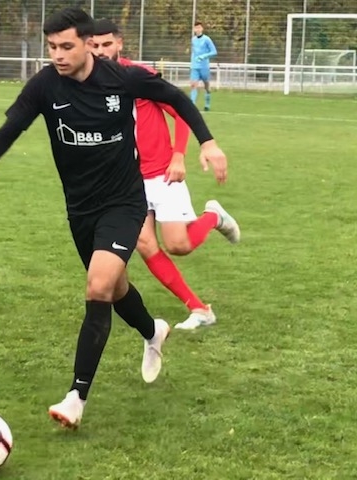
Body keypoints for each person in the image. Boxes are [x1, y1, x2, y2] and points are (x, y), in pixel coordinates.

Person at [0, 7, 228, 429]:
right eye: (52, 47)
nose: (58, 55)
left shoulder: (122, 79)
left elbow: (174, 98)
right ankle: (153, 331)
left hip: (124, 203)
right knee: (115, 290)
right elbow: (10, 130)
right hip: (80, 209)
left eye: (67, 46)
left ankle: (75, 398)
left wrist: (207, 143)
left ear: (87, 45)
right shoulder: (45, 86)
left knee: (98, 286)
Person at [92, 19, 240, 330]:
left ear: (119, 44)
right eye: (94, 45)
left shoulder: (139, 76)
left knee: (178, 245)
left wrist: (178, 155)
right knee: (145, 244)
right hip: (128, 182)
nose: (101, 51)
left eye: (107, 44)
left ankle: (213, 217)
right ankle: (199, 309)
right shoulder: (86, 85)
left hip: (162, 173)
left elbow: (179, 109)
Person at [190, 21, 218, 111]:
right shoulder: (193, 40)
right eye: (196, 28)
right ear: (194, 29)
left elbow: (214, 52)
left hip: (204, 67)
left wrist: (203, 56)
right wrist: (192, 62)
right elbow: (194, 52)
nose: (197, 29)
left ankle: (207, 104)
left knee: (206, 86)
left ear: (202, 29)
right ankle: (192, 106)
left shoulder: (207, 39)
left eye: (199, 27)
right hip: (195, 67)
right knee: (193, 85)